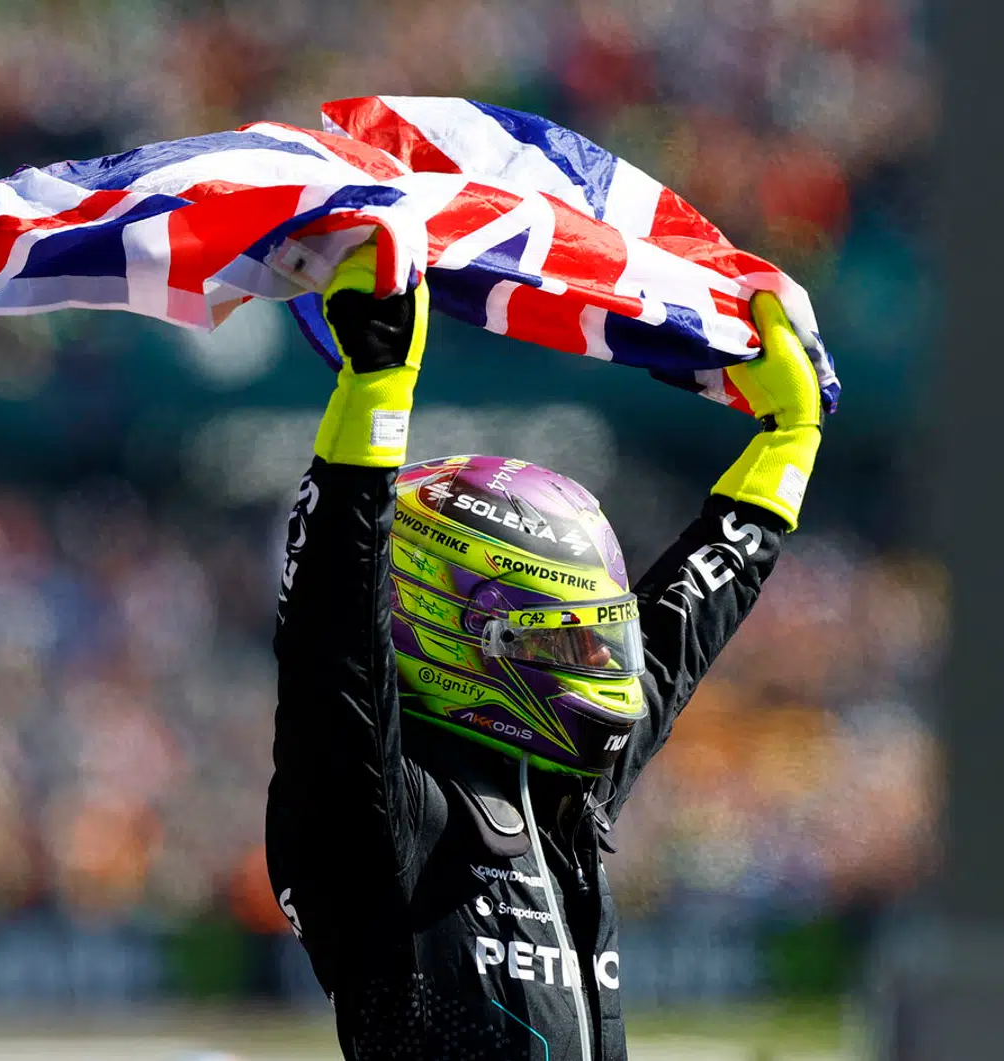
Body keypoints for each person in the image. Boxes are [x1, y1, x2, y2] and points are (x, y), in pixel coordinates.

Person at [265, 240, 825, 1061]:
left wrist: (786, 447)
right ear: (457, 627)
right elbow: (332, 651)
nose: (601, 663)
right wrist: (376, 390)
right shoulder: (380, 814)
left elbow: (676, 634)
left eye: (600, 634)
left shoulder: (560, 786)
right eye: (565, 635)